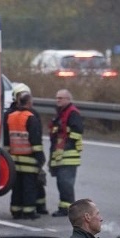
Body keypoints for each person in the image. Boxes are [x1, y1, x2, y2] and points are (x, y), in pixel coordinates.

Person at [4, 92, 45, 219]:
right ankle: (29, 212)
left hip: (14, 159)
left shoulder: (10, 116)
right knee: (29, 186)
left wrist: (7, 157)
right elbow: (35, 140)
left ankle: (16, 210)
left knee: (16, 186)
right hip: (29, 158)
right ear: (29, 103)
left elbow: (7, 140)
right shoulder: (30, 117)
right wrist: (40, 157)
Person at [49, 89, 84, 217]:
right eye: (57, 98)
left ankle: (67, 209)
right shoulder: (60, 113)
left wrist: (65, 143)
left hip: (68, 156)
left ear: (68, 99)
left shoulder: (72, 113)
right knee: (61, 183)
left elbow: (77, 131)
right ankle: (64, 207)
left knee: (66, 183)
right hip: (60, 155)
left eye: (61, 98)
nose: (58, 100)